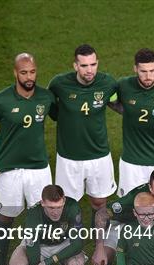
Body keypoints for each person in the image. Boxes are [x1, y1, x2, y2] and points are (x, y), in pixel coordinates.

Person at [0, 53, 54, 265]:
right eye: (24, 72)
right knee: (5, 218)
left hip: (38, 168)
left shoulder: (46, 97)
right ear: (15, 73)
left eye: (32, 72)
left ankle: (43, 264)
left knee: (43, 218)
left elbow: (63, 116)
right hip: (9, 169)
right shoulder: (1, 100)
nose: (29, 77)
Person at [48, 44, 118, 231]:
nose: (89, 70)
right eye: (84, 65)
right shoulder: (59, 84)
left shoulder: (108, 83)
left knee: (99, 201)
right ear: (75, 66)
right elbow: (52, 111)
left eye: (93, 64)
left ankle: (101, 244)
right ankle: (73, 244)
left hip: (99, 155)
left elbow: (118, 103)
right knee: (68, 203)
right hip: (69, 157)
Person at [110, 48, 154, 197]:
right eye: (143, 71)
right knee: (129, 205)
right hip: (132, 161)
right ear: (135, 68)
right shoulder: (123, 85)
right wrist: (126, 111)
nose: (148, 76)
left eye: (152, 71)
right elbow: (109, 99)